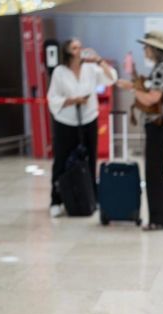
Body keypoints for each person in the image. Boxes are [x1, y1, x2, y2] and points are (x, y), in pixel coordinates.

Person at [47, 38, 117, 217]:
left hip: (88, 119)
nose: (80, 50)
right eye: (75, 47)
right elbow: (53, 98)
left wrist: (99, 61)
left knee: (89, 159)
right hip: (65, 122)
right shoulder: (59, 72)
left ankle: (91, 197)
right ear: (68, 52)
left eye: (80, 47)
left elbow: (112, 78)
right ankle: (56, 200)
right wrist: (72, 101)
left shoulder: (90, 69)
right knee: (61, 160)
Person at [117, 31, 163, 230]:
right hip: (159, 126)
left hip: (159, 126)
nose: (144, 50)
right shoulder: (161, 67)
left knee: (155, 174)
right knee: (157, 172)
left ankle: (160, 220)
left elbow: (152, 98)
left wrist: (132, 88)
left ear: (155, 49)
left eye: (147, 47)